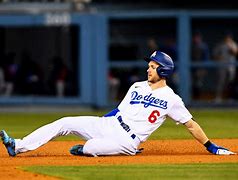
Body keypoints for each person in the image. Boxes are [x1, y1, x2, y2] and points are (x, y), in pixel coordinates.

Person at [0, 51, 236, 157]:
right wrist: (100, 122)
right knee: (65, 121)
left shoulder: (172, 99)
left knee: (90, 147)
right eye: (149, 65)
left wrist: (210, 146)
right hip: (110, 124)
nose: (148, 68)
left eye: (153, 66)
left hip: (127, 140)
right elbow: (118, 111)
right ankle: (18, 146)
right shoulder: (137, 86)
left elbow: (191, 125)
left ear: (163, 70)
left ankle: (86, 150)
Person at [213, 32, 238, 102]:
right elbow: (215, 54)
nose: (228, 39)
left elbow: (235, 53)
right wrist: (219, 58)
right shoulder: (221, 45)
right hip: (222, 66)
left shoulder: (233, 44)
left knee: (230, 83)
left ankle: (230, 98)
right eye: (227, 38)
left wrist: (230, 47)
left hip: (231, 67)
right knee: (221, 82)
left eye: (229, 38)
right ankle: (218, 97)